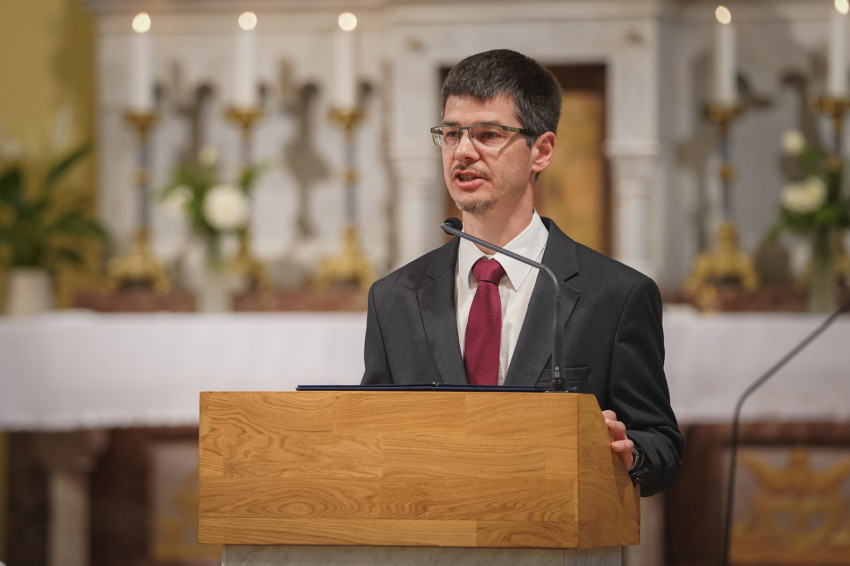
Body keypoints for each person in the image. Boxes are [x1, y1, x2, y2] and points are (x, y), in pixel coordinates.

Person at [361, 49, 683, 497]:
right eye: (451, 134)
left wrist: (632, 454)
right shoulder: (394, 297)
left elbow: (661, 445)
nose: (463, 152)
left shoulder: (616, 295)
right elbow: (370, 437)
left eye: (488, 134)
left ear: (542, 151)